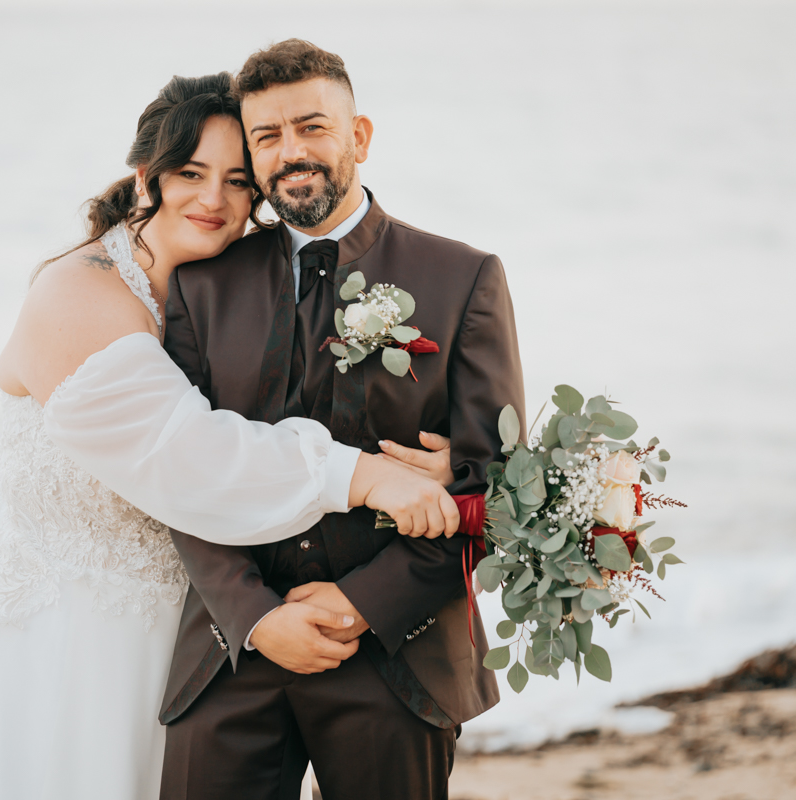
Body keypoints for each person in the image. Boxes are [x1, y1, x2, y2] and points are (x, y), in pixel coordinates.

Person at [0, 72, 459, 800]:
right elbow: (188, 454)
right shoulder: (77, 293)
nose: (213, 199)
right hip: (64, 634)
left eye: (237, 181)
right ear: (146, 176)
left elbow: (305, 407)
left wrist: (433, 460)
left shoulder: (226, 291)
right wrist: (368, 478)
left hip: (187, 637)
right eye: (190, 173)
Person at [157, 41, 525, 800]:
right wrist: (255, 616)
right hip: (233, 651)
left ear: (359, 135)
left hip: (399, 655)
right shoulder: (200, 288)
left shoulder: (463, 279)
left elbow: (496, 490)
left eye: (312, 127)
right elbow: (181, 470)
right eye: (267, 136)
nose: (290, 152)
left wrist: (363, 604)